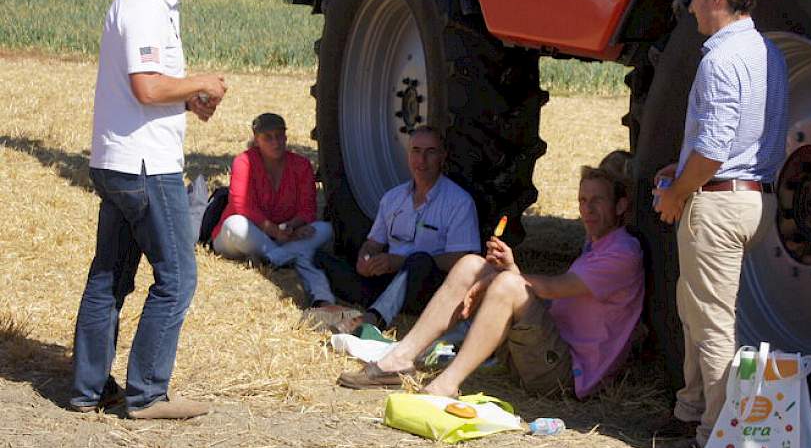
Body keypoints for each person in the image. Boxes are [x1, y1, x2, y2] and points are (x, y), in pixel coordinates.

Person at [70, 0, 227, 420]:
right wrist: (198, 81)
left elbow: (147, 92)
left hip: (117, 160)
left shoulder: (146, 0)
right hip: (146, 167)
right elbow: (145, 88)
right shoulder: (144, 5)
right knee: (177, 278)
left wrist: (187, 101)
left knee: (109, 278)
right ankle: (147, 394)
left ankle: (88, 389)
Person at [337, 164, 645, 400]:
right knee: (472, 264)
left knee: (505, 284)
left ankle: (446, 385)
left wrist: (502, 278)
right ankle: (400, 359)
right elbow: (551, 297)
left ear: (620, 206)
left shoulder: (622, 253)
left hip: (564, 375)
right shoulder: (597, 245)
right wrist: (504, 271)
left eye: (598, 201)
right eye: (583, 200)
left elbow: (553, 288)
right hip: (542, 353)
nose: (587, 209)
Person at [649, 0, 788, 448]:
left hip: (717, 203)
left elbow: (712, 150)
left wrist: (677, 193)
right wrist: (683, 169)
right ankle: (691, 412)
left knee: (711, 324)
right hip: (752, 198)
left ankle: (712, 439)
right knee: (698, 309)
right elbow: (736, 141)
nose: (688, 7)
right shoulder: (768, 52)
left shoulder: (721, 60)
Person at [312, 127, 480, 333]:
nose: (422, 159)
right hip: (387, 280)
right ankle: (326, 305)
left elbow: (464, 260)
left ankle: (375, 318)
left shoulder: (459, 202)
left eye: (431, 152)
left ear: (443, 156)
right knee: (319, 257)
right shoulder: (393, 198)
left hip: (426, 287)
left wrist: (400, 262)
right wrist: (366, 258)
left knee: (419, 260)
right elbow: (373, 243)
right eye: (416, 151)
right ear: (408, 155)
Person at [211, 113, 335, 307]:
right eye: (267, 137)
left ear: (286, 137)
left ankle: (274, 258)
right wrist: (275, 231)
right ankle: (285, 256)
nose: (275, 142)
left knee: (326, 229)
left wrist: (291, 228)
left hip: (283, 236)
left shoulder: (301, 165)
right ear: (256, 139)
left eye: (279, 136)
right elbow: (242, 205)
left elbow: (307, 209)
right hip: (247, 235)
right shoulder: (243, 162)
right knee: (235, 224)